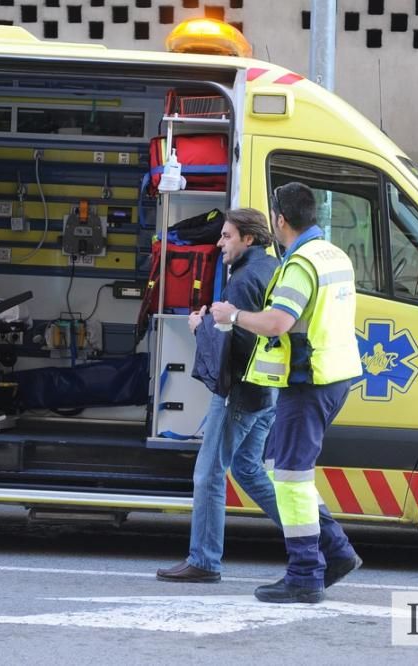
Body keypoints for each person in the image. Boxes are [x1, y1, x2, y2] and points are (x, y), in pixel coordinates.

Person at [211, 182, 363, 604]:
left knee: (291, 478)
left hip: (309, 381)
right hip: (333, 376)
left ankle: (305, 574)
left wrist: (234, 315)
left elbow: (278, 322)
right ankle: (336, 552)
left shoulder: (301, 264)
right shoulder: (334, 255)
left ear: (280, 220)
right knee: (282, 466)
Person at [156, 208, 281, 583]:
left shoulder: (242, 280)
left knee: (209, 472)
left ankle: (205, 560)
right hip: (265, 390)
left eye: (226, 236)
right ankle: (318, 537)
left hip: (240, 391)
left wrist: (199, 327)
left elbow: (233, 346)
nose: (219, 243)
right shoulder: (271, 269)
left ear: (249, 239)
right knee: (248, 469)